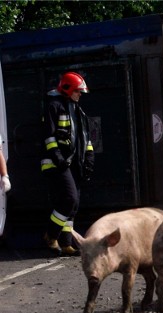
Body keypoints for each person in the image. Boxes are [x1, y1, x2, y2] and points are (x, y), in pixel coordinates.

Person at [41, 71, 94, 256]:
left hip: (73, 164)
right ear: (68, 89)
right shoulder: (54, 106)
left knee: (74, 204)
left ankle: (66, 243)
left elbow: (85, 139)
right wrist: (58, 158)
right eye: (78, 91)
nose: (80, 95)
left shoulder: (78, 111)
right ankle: (51, 235)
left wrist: (88, 159)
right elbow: (48, 136)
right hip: (56, 164)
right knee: (69, 199)